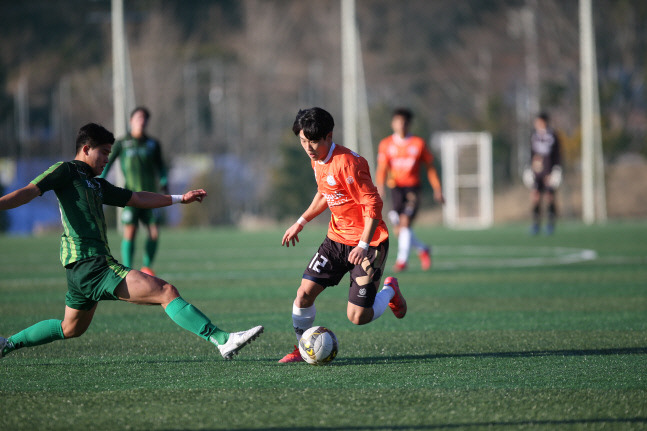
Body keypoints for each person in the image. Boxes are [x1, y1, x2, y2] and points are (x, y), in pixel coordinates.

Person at [0, 123, 263, 360]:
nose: (107, 159)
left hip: (80, 270)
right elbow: (29, 191)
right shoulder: (66, 170)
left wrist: (179, 199)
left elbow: (136, 198)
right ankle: (222, 339)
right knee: (166, 291)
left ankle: (7, 344)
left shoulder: (96, 184)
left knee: (70, 328)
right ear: (86, 148)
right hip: (93, 265)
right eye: (103, 152)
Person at [278, 107, 406, 363]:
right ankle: (303, 349)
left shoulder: (350, 163)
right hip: (337, 240)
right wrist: (301, 222)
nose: (308, 147)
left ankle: (391, 290)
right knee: (303, 293)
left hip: (370, 243)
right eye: (303, 141)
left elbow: (374, 206)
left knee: (358, 317)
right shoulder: (317, 159)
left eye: (313, 141)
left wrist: (363, 244)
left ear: (329, 136)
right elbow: (326, 192)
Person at [99, 107, 167, 276]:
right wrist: (100, 179)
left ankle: (147, 267)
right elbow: (108, 162)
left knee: (154, 232)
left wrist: (164, 181)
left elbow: (161, 166)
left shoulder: (153, 144)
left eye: (144, 118)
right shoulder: (122, 143)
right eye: (138, 118)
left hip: (151, 196)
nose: (141, 121)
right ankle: (128, 269)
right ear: (131, 121)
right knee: (130, 231)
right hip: (130, 196)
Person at [375, 108, 444, 272]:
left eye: (405, 122)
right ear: (393, 123)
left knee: (405, 222)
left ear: (409, 124)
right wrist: (380, 185)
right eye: (398, 121)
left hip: (413, 188)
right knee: (399, 229)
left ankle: (402, 261)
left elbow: (430, 168)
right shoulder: (386, 144)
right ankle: (422, 249)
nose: (401, 125)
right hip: (395, 189)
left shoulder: (418, 144)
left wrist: (437, 188)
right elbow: (382, 168)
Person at [522, 112, 562, 235]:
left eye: (539, 121)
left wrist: (556, 169)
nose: (537, 124)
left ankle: (550, 224)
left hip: (549, 171)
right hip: (537, 172)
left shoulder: (552, 136)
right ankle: (535, 224)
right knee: (535, 196)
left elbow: (557, 154)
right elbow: (531, 153)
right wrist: (529, 167)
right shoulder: (534, 135)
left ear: (544, 122)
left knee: (550, 196)